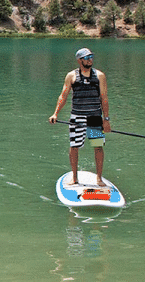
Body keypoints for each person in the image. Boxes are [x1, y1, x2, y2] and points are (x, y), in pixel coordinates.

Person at [49, 48, 111, 186]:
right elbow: (63, 96)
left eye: (91, 56)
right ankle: (74, 178)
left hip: (95, 117)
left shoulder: (100, 75)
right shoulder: (71, 76)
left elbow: (104, 98)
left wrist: (106, 120)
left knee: (98, 146)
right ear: (79, 60)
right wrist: (55, 113)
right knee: (74, 146)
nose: (90, 59)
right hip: (77, 117)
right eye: (87, 57)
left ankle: (99, 178)